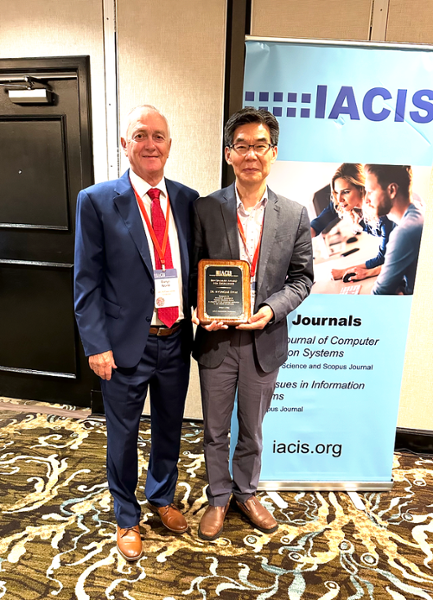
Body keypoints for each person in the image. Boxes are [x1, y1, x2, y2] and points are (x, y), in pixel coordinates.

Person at [74, 105, 199, 561]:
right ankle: (126, 514)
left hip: (176, 335)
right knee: (123, 435)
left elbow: (197, 268)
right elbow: (86, 281)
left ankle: (161, 496)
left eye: (159, 136)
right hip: (126, 342)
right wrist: (96, 344)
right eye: (140, 135)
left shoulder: (188, 200)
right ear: (124, 145)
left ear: (170, 144)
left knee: (170, 425)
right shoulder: (97, 200)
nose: (150, 144)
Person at [191, 107, 314, 541]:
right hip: (217, 342)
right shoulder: (205, 208)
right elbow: (194, 275)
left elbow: (302, 279)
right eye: (241, 146)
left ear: (273, 153)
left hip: (265, 338)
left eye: (259, 146)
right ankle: (219, 496)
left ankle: (247, 491)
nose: (250, 155)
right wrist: (199, 310)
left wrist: (273, 309)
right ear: (229, 154)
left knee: (253, 427)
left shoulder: (295, 214)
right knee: (215, 427)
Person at [310, 163, 395, 281]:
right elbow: (324, 217)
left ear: (361, 188)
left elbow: (383, 258)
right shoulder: (347, 203)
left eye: (345, 192)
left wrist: (345, 271)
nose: (339, 199)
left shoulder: (382, 213)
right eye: (336, 192)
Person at [363, 164, 424, 295]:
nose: (366, 200)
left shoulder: (404, 232)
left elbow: (379, 294)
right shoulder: (418, 207)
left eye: (370, 192)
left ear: (392, 190)